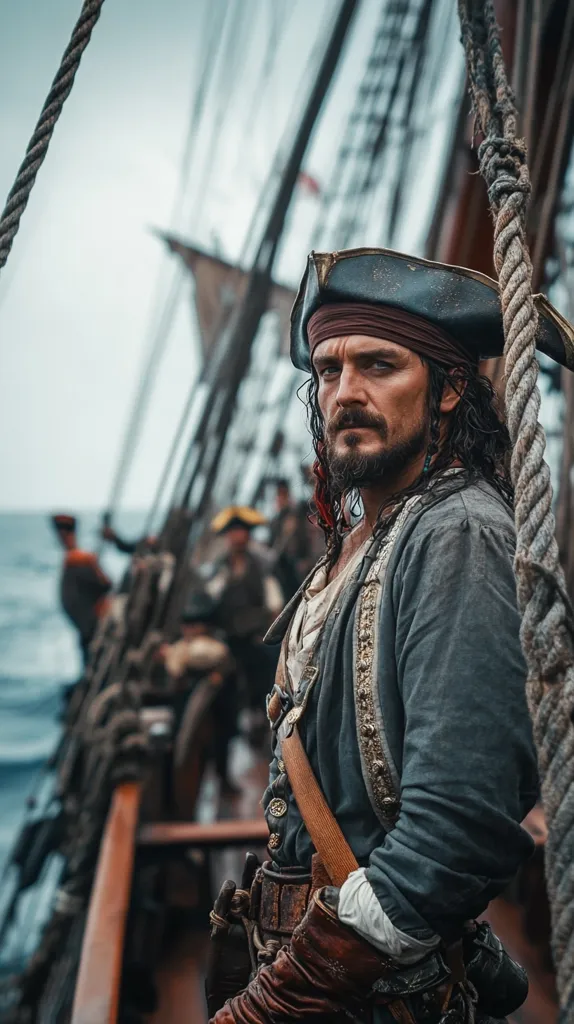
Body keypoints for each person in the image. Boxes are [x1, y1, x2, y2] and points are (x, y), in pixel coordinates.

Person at [206, 246, 574, 1022]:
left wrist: (273, 1003)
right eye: (329, 371)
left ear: (448, 389)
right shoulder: (364, 537)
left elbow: (455, 836)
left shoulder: (457, 534)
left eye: (379, 365)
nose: (346, 391)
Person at [204, 506, 283, 726]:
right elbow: (210, 598)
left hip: (257, 637)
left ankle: (262, 717)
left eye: (241, 531)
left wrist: (268, 631)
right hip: (228, 637)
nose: (237, 536)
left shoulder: (261, 565)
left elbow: (274, 604)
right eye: (233, 532)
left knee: (265, 670)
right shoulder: (221, 567)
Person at [158, 592, 239, 798]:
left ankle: (219, 781)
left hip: (217, 709)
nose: (188, 630)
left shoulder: (215, 649)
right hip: (193, 709)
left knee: (219, 744)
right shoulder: (184, 649)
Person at [51, 514, 112, 666]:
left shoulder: (80, 561)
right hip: (86, 629)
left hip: (93, 628)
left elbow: (105, 584)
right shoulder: (80, 560)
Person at [268, 478, 312, 599]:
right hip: (280, 566)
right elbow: (272, 544)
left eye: (284, 494)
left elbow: (304, 538)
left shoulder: (296, 515)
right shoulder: (275, 521)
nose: (281, 498)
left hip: (296, 564)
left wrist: (305, 559)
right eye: (279, 495)